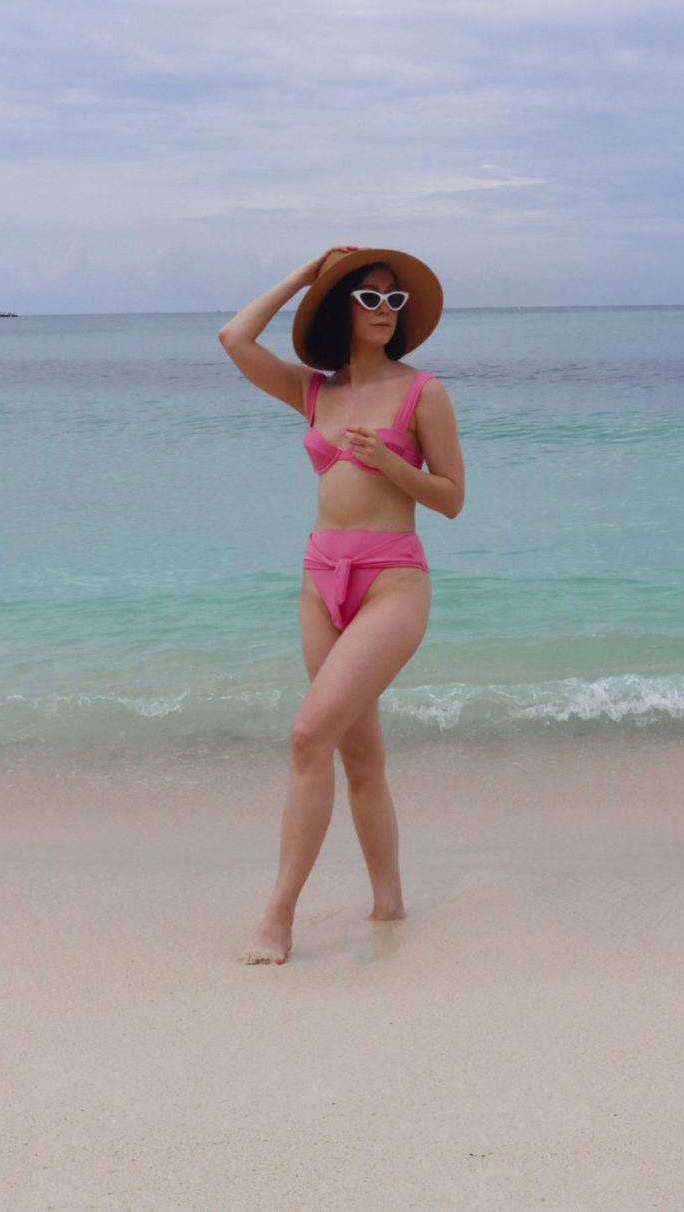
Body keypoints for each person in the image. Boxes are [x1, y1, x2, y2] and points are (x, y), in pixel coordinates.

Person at [218, 246, 465, 964]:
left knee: (307, 736)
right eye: (369, 298)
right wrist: (305, 276)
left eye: (394, 301)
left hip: (393, 581)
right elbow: (234, 339)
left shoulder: (425, 393)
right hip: (319, 579)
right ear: (340, 310)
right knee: (359, 756)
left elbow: (452, 498)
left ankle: (277, 918)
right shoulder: (314, 392)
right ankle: (389, 904)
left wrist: (393, 464)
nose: (386, 310)